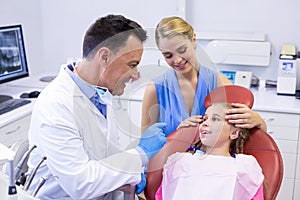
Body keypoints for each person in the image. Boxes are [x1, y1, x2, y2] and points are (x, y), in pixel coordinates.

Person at [25, 14, 167, 200]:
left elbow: (104, 156)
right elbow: (81, 183)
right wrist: (139, 155)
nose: (136, 75)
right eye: (132, 65)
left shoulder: (99, 94)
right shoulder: (56, 105)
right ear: (105, 57)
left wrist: (130, 174)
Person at [141, 16, 267, 137]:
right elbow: (146, 145)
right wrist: (177, 137)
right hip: (168, 158)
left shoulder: (219, 83)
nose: (177, 60)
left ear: (193, 40)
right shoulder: (155, 89)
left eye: (182, 50)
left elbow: (238, 136)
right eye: (168, 56)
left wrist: (259, 122)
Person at [155, 102, 265, 200]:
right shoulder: (181, 161)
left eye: (215, 119)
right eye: (204, 119)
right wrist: (181, 135)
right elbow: (163, 194)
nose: (205, 123)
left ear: (234, 133)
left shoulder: (244, 167)